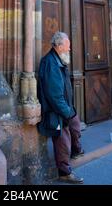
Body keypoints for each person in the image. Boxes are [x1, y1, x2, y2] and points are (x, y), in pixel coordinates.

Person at [38, 31, 84, 184]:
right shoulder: (50, 63)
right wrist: (67, 113)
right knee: (63, 141)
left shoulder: (59, 60)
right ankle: (64, 172)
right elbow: (54, 95)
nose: (69, 49)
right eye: (67, 46)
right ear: (58, 46)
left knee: (76, 128)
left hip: (65, 107)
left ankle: (77, 151)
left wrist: (69, 112)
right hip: (57, 111)